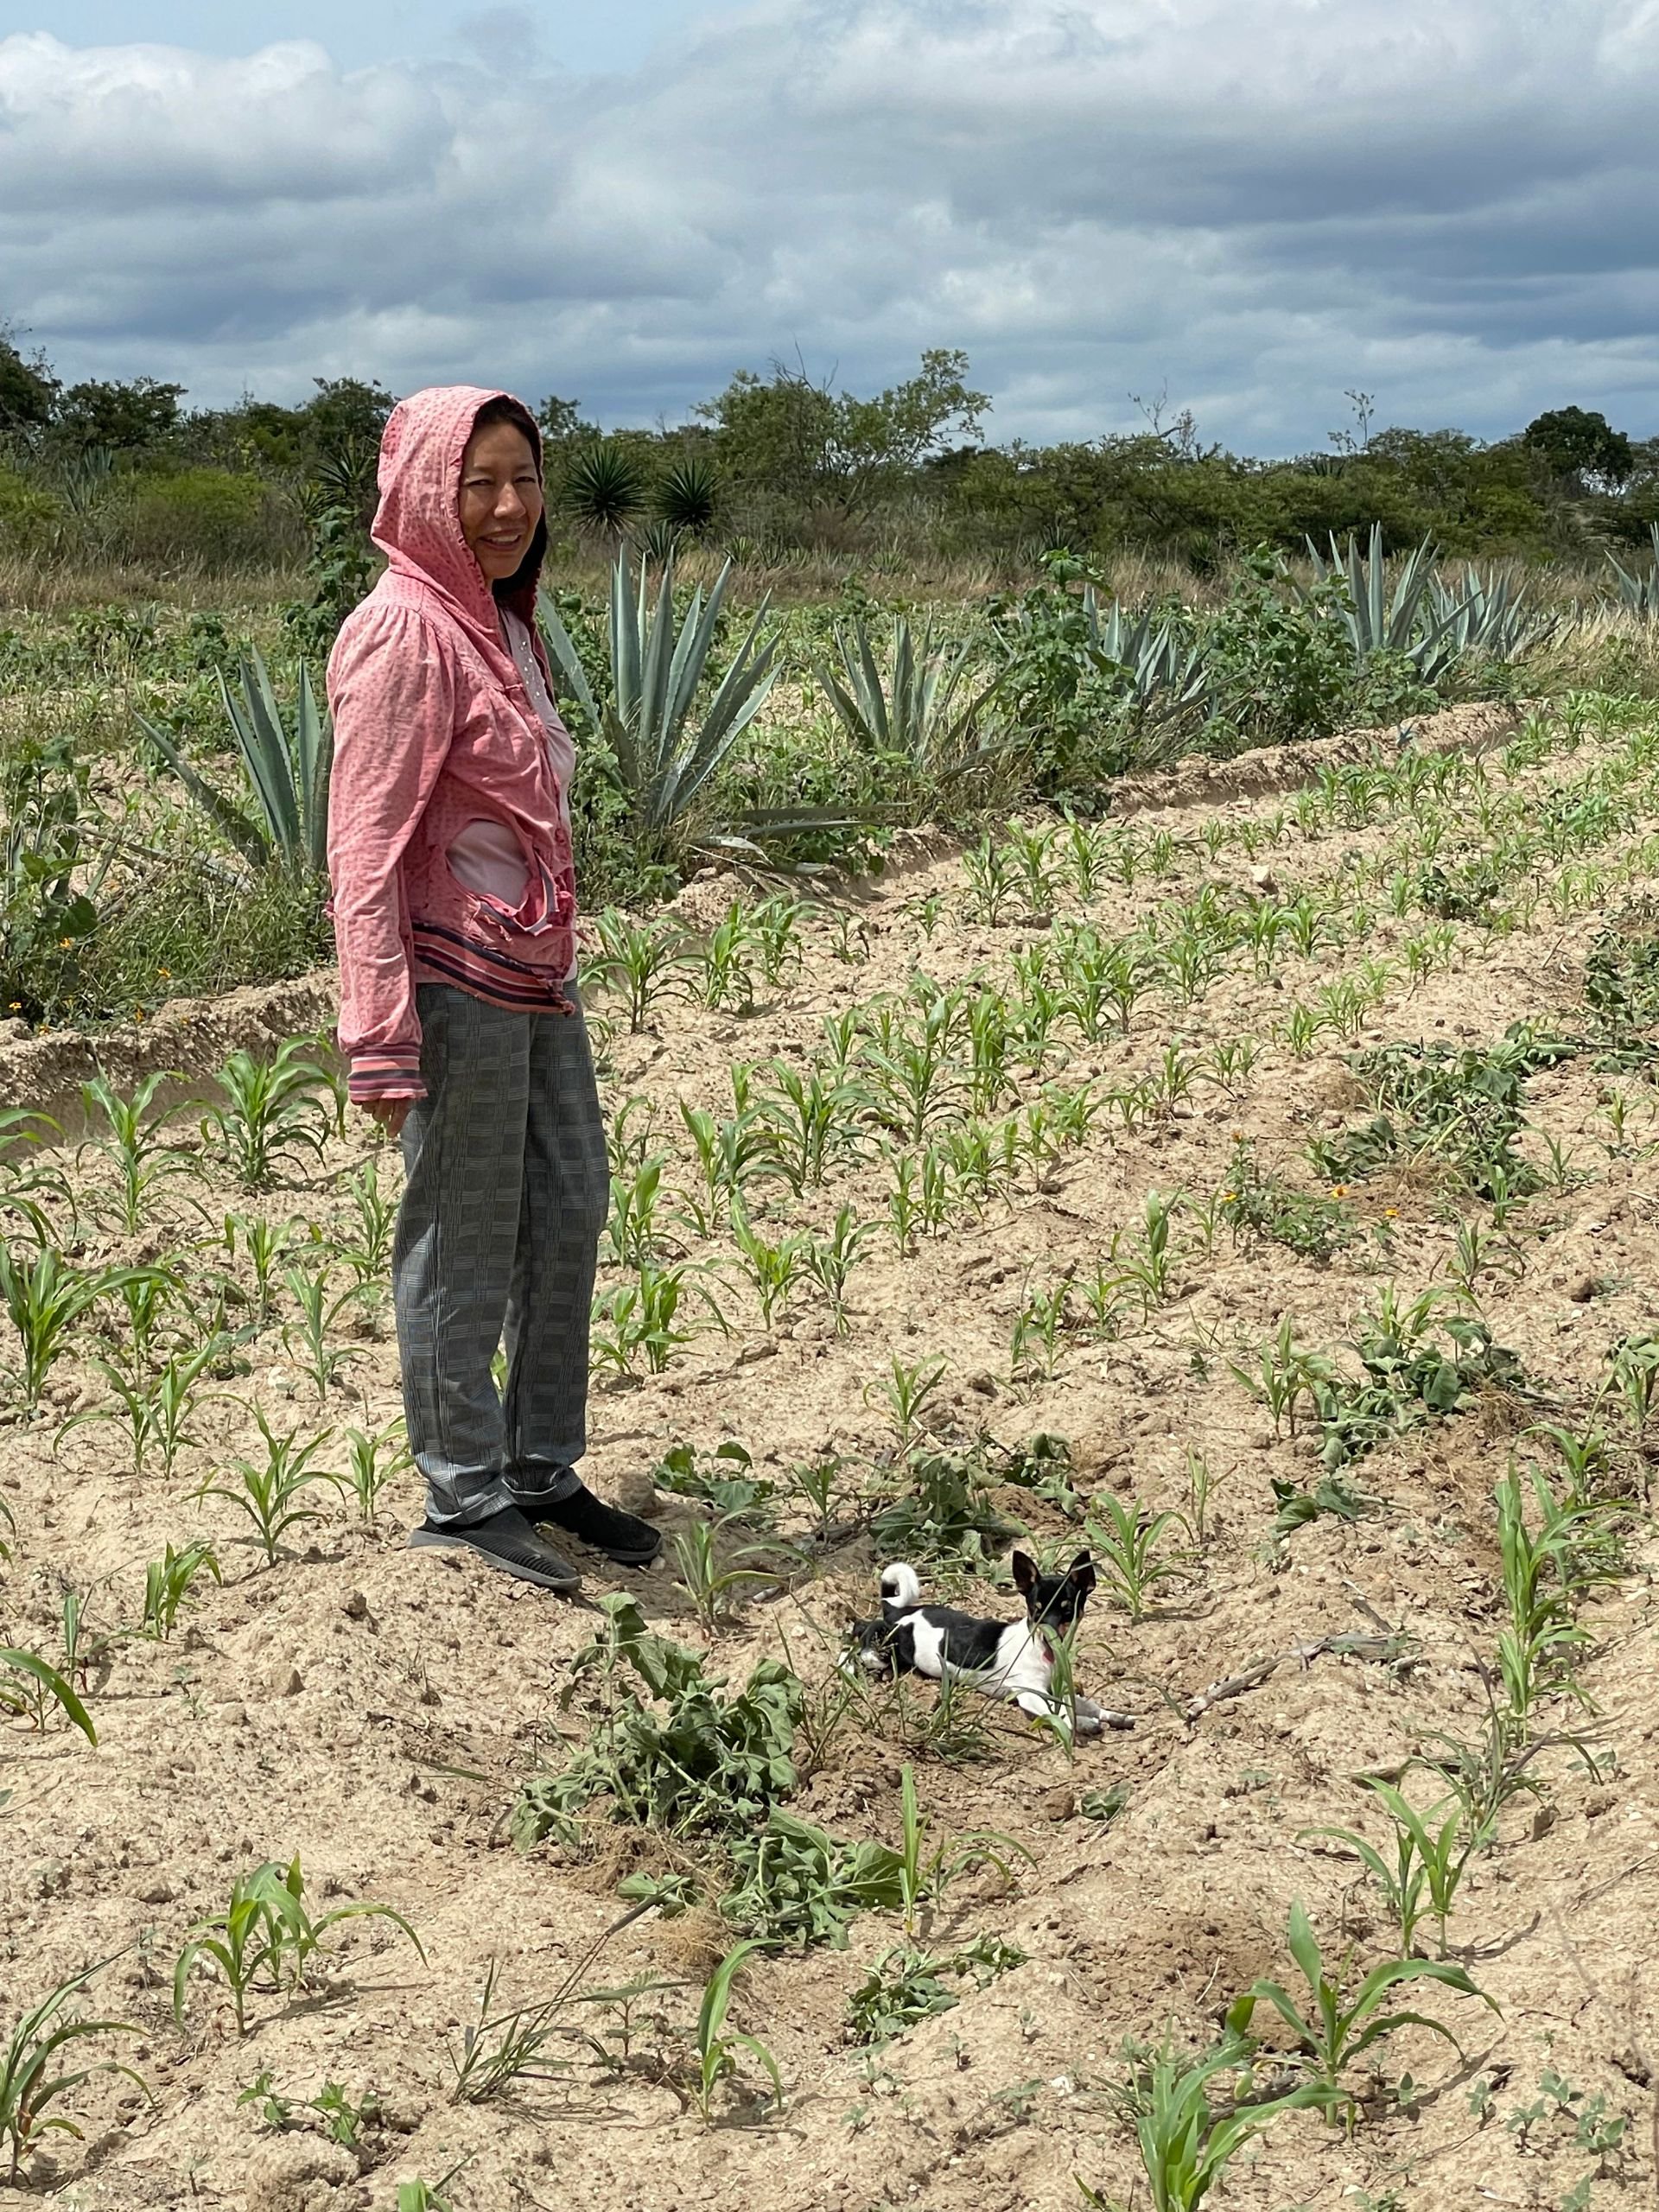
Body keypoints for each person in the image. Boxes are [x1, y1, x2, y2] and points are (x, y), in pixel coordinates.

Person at [325, 384, 660, 1592]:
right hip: (453, 986)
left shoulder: (498, 622)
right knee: (461, 1239)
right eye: (480, 484)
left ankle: (537, 1467)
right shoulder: (406, 633)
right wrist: (378, 1033)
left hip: (532, 974)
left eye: (524, 477)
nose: (510, 505)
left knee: (568, 1206)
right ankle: (462, 1496)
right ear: (425, 494)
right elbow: (362, 850)